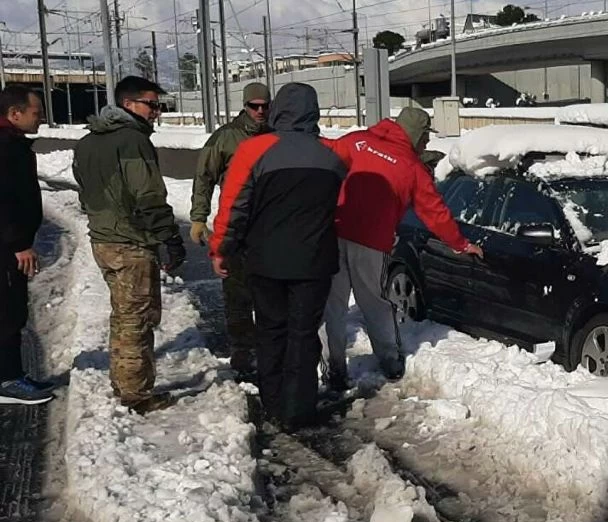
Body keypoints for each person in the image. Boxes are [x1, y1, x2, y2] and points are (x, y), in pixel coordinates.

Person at [209, 83, 348, 432]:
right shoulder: (335, 155)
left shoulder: (253, 150)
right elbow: (342, 208)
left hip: (265, 260)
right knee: (304, 333)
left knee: (270, 330)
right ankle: (298, 409)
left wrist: (220, 248)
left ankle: (272, 402)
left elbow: (233, 206)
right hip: (315, 261)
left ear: (277, 110)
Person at [322, 107, 482, 389]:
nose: (427, 145)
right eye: (425, 138)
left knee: (332, 305)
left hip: (333, 231)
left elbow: (323, 154)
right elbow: (435, 212)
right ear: (416, 134)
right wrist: (460, 244)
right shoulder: (412, 168)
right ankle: (389, 361)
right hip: (371, 243)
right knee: (374, 301)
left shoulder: (358, 141)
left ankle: (334, 369)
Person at [73, 76, 186, 414]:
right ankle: (136, 394)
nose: (156, 112)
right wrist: (171, 237)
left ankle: (123, 381)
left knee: (123, 316)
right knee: (137, 318)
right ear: (128, 104)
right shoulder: (133, 141)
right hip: (131, 243)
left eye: (158, 106)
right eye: (151, 105)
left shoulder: (89, 142)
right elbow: (148, 195)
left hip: (103, 239)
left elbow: (84, 189)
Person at [190, 82, 272, 382]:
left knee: (268, 293)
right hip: (236, 226)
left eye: (265, 106)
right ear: (245, 106)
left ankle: (267, 346)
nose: (260, 111)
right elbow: (204, 177)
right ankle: (241, 349)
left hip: (268, 229)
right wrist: (198, 217)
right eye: (255, 106)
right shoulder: (225, 138)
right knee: (237, 293)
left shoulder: (276, 135)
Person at [0, 85, 55, 403]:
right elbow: (3, 202)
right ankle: (8, 380)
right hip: (6, 250)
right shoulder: (5, 148)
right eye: (37, 113)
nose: (41, 119)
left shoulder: (12, 144)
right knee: (8, 312)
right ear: (14, 113)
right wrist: (18, 243)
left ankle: (10, 374)